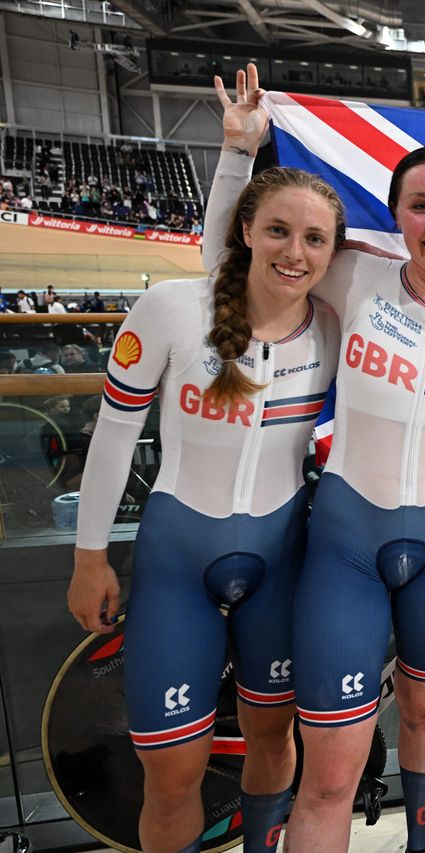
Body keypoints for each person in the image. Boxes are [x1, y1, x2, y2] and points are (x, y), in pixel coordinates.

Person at [203, 64, 425, 853]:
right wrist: (237, 152)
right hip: (347, 547)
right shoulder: (355, 273)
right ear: (396, 215)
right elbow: (232, 254)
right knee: (330, 769)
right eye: (420, 205)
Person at [68, 159, 345, 853]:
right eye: (278, 230)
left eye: (315, 239)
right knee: (171, 773)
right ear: (245, 229)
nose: (295, 251)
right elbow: (112, 437)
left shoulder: (336, 328)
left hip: (281, 561)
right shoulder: (172, 308)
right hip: (175, 564)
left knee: (273, 739)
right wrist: (88, 555)